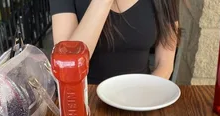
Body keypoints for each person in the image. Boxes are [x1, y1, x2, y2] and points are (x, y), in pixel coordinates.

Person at [49, 0, 179, 84]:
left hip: (141, 95)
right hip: (86, 100)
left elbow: (165, 64)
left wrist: (143, 94)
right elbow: (67, 68)